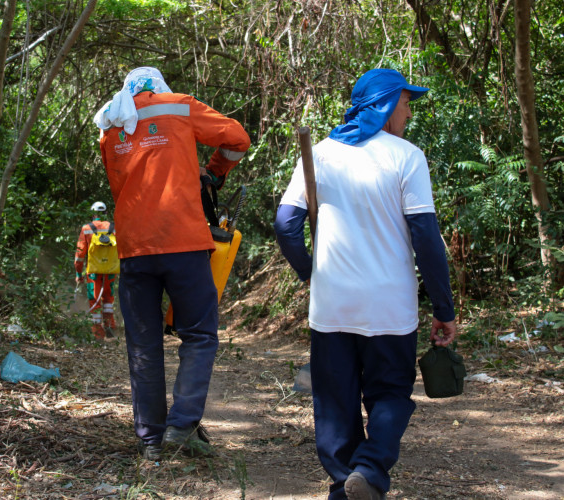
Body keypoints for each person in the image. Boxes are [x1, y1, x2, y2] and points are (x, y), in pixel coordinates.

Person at [274, 69, 457, 500]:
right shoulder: (406, 157)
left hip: (332, 305)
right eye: (407, 103)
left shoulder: (318, 154)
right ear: (389, 104)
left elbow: (285, 225)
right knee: (391, 394)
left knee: (335, 403)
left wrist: (310, 272)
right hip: (389, 307)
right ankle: (371, 470)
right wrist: (444, 309)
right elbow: (427, 239)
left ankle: (346, 486)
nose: (409, 113)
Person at [94, 67, 250, 459]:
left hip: (134, 249)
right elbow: (238, 140)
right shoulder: (180, 107)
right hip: (184, 243)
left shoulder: (111, 125)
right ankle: (181, 426)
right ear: (159, 85)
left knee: (143, 345)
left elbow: (119, 186)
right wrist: (212, 172)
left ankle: (151, 442)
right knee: (199, 335)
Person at [74, 201, 117, 341]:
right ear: (105, 213)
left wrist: (78, 273)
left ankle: (98, 334)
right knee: (108, 300)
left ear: (93, 214)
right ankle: (110, 327)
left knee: (94, 300)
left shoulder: (87, 228)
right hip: (110, 270)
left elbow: (80, 255)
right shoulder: (113, 227)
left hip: (93, 271)